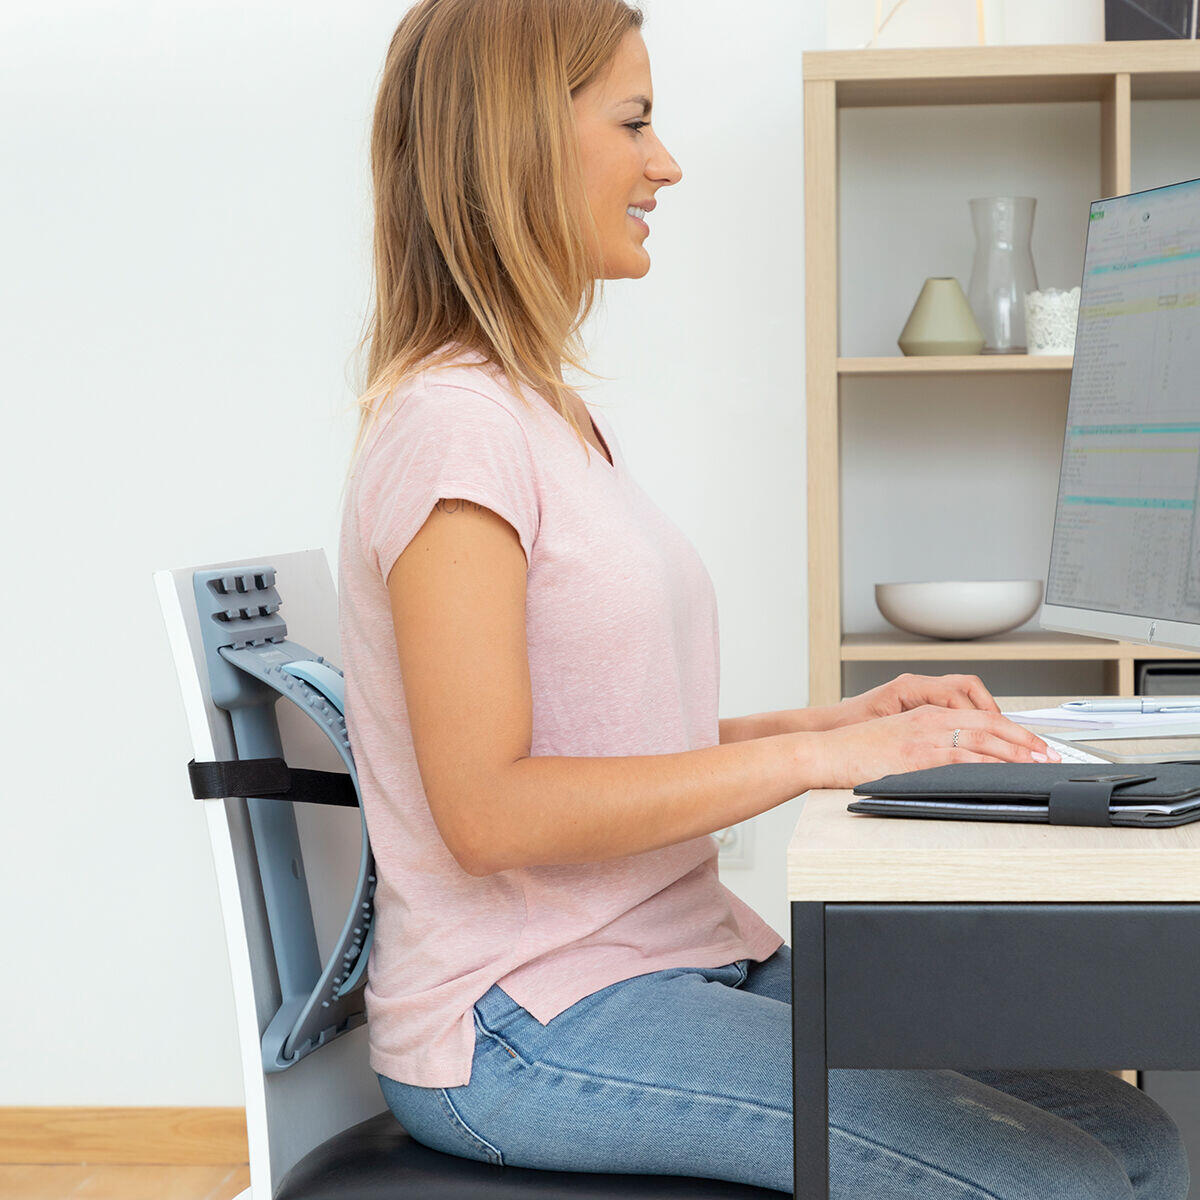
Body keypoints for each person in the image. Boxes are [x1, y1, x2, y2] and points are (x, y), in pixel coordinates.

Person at [335, 1, 1191, 1195]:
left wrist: (839, 723)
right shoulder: (452, 431)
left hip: (674, 956)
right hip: (525, 1018)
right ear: (517, 141)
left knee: (1136, 1139)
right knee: (1066, 1181)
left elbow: (612, 746)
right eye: (633, 122)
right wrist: (818, 762)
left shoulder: (545, 417)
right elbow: (490, 812)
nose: (666, 164)